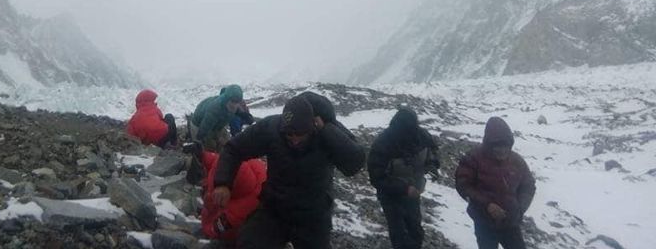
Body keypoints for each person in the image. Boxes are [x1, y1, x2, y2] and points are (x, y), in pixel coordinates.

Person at [212, 93, 365, 249]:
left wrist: (327, 132)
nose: (295, 139)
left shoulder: (328, 131)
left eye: (300, 134)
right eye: (289, 134)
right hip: (274, 208)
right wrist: (223, 183)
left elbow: (354, 164)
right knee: (249, 242)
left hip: (313, 215)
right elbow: (234, 149)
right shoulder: (272, 128)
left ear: (314, 125)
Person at [455, 116, 536, 249]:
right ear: (489, 144)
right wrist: (487, 205)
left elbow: (528, 185)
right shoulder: (473, 159)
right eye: (497, 146)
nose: (502, 150)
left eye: (505, 146)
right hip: (484, 222)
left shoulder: (516, 161)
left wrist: (520, 208)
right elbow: (463, 185)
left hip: (510, 222)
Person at [367, 107, 440, 249]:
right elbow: (377, 177)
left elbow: (433, 152)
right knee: (399, 233)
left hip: (413, 192)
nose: (409, 133)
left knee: (416, 231)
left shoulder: (420, 135)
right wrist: (404, 189)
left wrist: (432, 166)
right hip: (390, 195)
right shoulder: (383, 143)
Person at [183, 142, 267, 245]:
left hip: (237, 230)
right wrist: (202, 155)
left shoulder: (238, 212)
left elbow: (214, 231)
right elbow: (219, 160)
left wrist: (208, 209)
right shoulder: (246, 164)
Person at [191, 85, 245, 151]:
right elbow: (204, 128)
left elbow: (240, 113)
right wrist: (198, 141)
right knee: (210, 147)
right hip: (199, 125)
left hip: (217, 125)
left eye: (237, 102)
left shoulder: (233, 105)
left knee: (227, 144)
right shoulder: (215, 109)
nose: (234, 105)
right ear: (226, 99)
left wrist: (248, 118)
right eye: (232, 101)